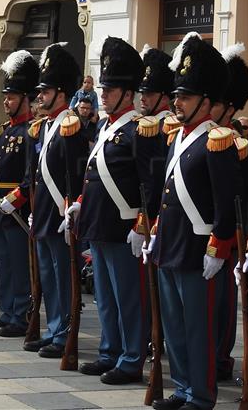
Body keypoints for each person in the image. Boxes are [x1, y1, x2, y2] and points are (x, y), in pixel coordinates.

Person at [147, 32, 239, 410]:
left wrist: (219, 247)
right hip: (171, 245)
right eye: (177, 96)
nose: (176, 102)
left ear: (206, 101)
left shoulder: (219, 141)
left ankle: (201, 396)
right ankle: (183, 387)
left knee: (198, 328)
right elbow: (168, 195)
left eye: (184, 97)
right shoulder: (177, 138)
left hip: (199, 250)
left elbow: (227, 203)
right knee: (175, 327)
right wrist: (155, 232)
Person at [73, 37, 158, 385]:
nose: (103, 95)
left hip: (124, 228)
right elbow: (93, 175)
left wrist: (142, 225)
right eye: (103, 89)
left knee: (128, 298)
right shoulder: (106, 128)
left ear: (128, 94)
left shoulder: (140, 129)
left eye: (110, 90)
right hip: (98, 224)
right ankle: (110, 351)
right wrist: (79, 204)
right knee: (105, 298)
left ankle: (131, 357)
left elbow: (150, 184)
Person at [6, 43, 88, 358]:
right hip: (44, 214)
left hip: (60, 215)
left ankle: (64, 332)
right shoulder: (48, 127)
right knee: (48, 277)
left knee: (62, 278)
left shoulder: (71, 128)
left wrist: (69, 212)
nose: (39, 96)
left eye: (46, 90)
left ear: (62, 93)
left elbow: (73, 175)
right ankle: (54, 329)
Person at [0, 50, 39, 337]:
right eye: (6, 96)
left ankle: (21, 315)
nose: (6, 101)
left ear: (26, 99)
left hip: (18, 207)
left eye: (11, 97)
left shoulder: (32, 130)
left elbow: (30, 174)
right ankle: (7, 311)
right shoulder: (6, 131)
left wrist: (17, 198)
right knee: (4, 265)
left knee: (20, 266)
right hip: (0, 204)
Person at [210, 43, 248, 382]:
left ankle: (220, 359)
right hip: (201, 229)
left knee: (222, 304)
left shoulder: (235, 142)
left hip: (228, 233)